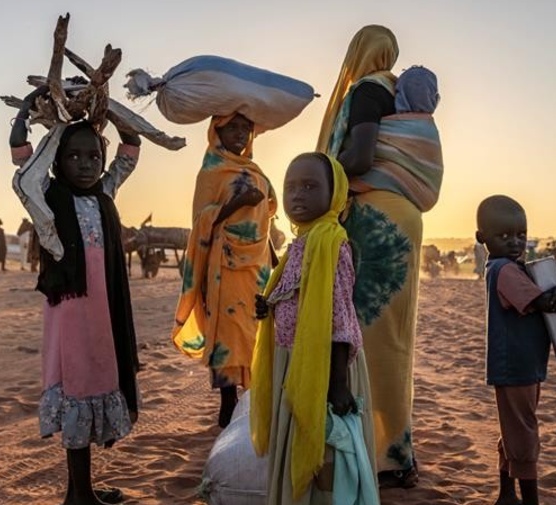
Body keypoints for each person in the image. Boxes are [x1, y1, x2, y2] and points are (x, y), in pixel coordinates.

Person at [317, 25, 444, 487]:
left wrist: (319, 173)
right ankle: (396, 449)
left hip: (375, 220)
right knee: (394, 337)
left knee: (363, 338)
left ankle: (374, 455)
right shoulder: (397, 94)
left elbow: (363, 155)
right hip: (403, 218)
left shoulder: (368, 89)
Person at [9, 86, 141, 505]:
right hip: (72, 312)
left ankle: (78, 491)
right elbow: (23, 161)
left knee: (95, 384)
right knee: (78, 389)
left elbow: (130, 149)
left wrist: (110, 111)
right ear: (57, 161)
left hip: (104, 312)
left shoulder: (104, 193)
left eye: (92, 157)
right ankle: (80, 494)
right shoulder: (46, 198)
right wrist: (30, 113)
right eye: (73, 156)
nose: (85, 164)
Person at [251, 153, 377, 505]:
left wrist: (336, 384)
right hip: (294, 363)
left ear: (334, 194)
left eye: (310, 186)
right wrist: (269, 305)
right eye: (291, 187)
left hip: (324, 369)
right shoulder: (301, 244)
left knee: (325, 455)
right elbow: (296, 295)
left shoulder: (333, 244)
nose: (297, 195)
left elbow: (340, 317)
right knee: (299, 441)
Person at [475, 195, 556, 505]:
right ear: (482, 238)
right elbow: (544, 302)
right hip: (516, 365)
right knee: (523, 432)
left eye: (520, 235)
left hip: (522, 363)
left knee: (514, 428)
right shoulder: (504, 270)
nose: (514, 242)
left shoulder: (511, 267)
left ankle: (507, 496)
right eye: (504, 236)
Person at [172, 113, 277, 429]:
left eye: (247, 127)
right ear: (216, 131)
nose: (241, 133)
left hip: (257, 265)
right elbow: (202, 219)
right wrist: (238, 202)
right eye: (233, 127)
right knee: (228, 331)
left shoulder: (256, 170)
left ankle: (255, 399)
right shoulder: (211, 172)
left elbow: (268, 214)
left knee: (256, 330)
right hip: (224, 265)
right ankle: (228, 401)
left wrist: (274, 260)